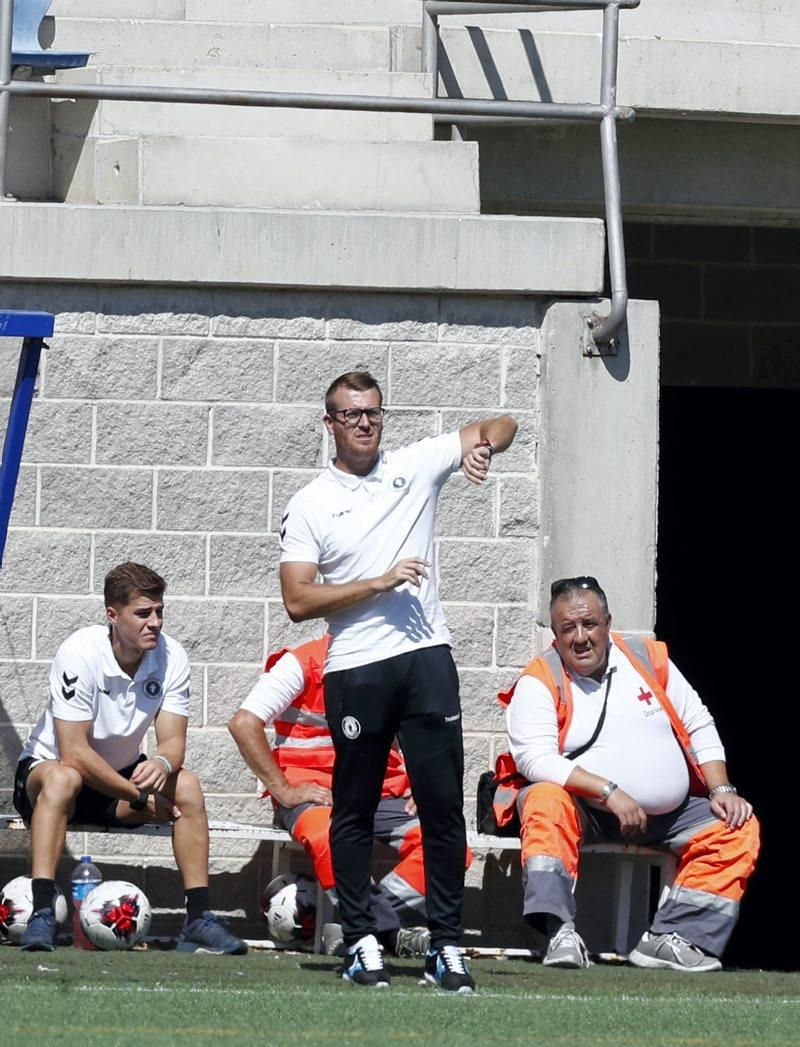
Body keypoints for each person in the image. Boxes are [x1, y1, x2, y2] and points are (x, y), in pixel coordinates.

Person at [279, 370, 518, 991]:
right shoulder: (310, 502)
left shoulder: (414, 465)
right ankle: (360, 941)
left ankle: (445, 946)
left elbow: (504, 422)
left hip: (426, 658)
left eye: (374, 413)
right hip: (356, 667)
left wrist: (482, 446)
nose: (365, 423)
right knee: (353, 807)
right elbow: (298, 601)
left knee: (443, 805)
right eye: (352, 414)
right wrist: (378, 582)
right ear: (329, 422)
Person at [496, 575, 759, 971]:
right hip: (586, 811)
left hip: (667, 817)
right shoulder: (539, 679)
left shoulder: (645, 658)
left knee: (737, 825)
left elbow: (699, 722)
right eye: (568, 628)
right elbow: (535, 759)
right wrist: (608, 791)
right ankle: (557, 932)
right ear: (555, 634)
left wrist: (721, 787)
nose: (580, 637)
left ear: (608, 623)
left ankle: (673, 939)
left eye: (589, 624)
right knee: (543, 797)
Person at [12, 562, 247, 955]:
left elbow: (173, 741)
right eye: (143, 613)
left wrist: (162, 765)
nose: (154, 622)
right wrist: (138, 796)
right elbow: (74, 753)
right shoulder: (79, 652)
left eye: (159, 611)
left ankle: (198, 919)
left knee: (186, 785)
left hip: (114, 783)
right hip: (50, 777)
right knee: (63, 778)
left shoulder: (172, 657)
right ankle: (41, 914)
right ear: (112, 615)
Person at [229, 633, 471, 957]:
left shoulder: (392, 656)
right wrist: (284, 790)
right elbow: (244, 723)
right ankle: (380, 932)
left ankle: (357, 928)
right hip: (316, 793)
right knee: (331, 837)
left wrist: (419, 780)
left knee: (447, 845)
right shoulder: (303, 662)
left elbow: (407, 729)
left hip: (381, 789)